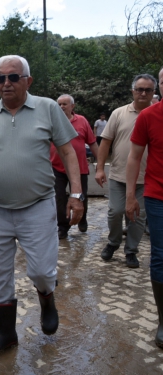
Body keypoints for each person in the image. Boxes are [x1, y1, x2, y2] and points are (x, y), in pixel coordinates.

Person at [0, 55, 83, 357]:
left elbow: (68, 152)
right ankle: (7, 334)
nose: (5, 83)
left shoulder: (47, 108)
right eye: (0, 78)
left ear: (28, 81)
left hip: (37, 206)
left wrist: (76, 194)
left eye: (13, 77)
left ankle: (47, 299)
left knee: (41, 271)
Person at [95, 74, 155, 268]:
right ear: (132, 91)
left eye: (148, 90)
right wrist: (100, 168)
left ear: (154, 92)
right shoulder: (119, 113)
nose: (143, 93)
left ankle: (131, 251)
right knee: (115, 211)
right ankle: (113, 242)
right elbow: (106, 142)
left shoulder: (157, 114)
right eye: (139, 89)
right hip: (119, 175)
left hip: (147, 178)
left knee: (138, 217)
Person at [126, 66, 163, 350]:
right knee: (161, 256)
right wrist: (130, 196)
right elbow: (134, 157)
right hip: (157, 196)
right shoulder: (149, 116)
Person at [51, 94, 99, 239]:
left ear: (73, 106)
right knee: (59, 198)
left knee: (81, 196)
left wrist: (100, 164)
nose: (61, 107)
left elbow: (92, 143)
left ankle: (82, 218)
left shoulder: (82, 121)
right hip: (56, 167)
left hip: (79, 167)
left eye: (65, 104)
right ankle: (63, 226)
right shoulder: (52, 121)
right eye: (59, 104)